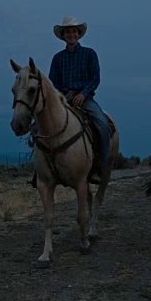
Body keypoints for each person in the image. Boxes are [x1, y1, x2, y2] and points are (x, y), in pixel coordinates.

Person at [47, 15, 110, 183]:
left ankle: (100, 167)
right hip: (63, 98)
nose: (71, 34)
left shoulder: (89, 54)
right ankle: (43, 170)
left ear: (79, 34)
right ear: (63, 35)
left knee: (103, 124)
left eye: (74, 31)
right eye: (68, 32)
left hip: (85, 97)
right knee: (42, 125)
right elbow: (53, 82)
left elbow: (95, 78)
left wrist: (83, 94)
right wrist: (60, 97)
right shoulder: (57, 58)